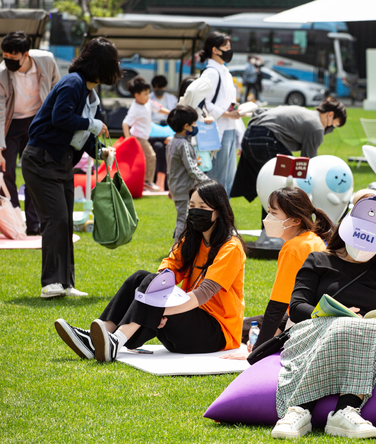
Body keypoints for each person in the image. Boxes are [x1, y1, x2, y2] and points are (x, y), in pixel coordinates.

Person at [54, 180, 246, 362]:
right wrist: (154, 303)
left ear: (219, 212)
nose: (196, 211)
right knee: (142, 277)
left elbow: (202, 296)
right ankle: (101, 335)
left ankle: (116, 340)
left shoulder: (231, 247)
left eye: (203, 208)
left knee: (151, 288)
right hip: (185, 323)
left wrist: (160, 310)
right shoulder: (192, 241)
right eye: (192, 206)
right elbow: (165, 274)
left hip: (216, 333)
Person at [270, 195, 376, 440]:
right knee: (342, 324)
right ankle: (299, 409)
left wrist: (366, 324)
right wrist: (331, 313)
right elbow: (297, 306)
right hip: (316, 332)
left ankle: (346, 409)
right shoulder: (319, 260)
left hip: (368, 339)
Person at [21, 37, 120, 298]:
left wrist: (103, 153)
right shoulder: (72, 83)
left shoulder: (90, 95)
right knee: (57, 219)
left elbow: (84, 138)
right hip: (41, 160)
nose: (117, 67)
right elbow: (61, 118)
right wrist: (94, 125)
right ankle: (51, 283)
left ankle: (65, 283)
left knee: (64, 223)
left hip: (60, 162)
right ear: (101, 65)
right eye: (114, 62)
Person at [221, 186, 332, 357]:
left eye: (274, 213)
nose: (268, 218)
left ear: (295, 221)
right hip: (315, 317)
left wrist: (258, 352)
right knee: (248, 325)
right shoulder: (315, 238)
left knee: (240, 330)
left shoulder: (293, 248)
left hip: (302, 323)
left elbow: (277, 306)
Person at [230, 98, 346, 206]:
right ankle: (275, 226)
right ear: (330, 114)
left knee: (272, 185)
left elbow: (259, 112)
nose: (331, 129)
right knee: (282, 187)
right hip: (267, 138)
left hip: (250, 133)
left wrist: (249, 142)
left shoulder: (303, 112)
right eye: (334, 124)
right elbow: (308, 164)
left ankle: (269, 224)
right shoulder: (317, 127)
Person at [0, 31, 60, 236]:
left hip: (38, 123)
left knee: (34, 172)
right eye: (4, 56)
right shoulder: (1, 73)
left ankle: (35, 224)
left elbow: (57, 89)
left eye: (12, 58)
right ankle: (15, 220)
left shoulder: (46, 61)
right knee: (6, 171)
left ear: (26, 54)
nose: (7, 61)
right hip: (10, 124)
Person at [198, 32, 243, 195]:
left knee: (228, 180)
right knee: (218, 179)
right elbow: (205, 103)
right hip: (217, 131)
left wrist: (234, 110)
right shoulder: (211, 72)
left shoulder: (224, 71)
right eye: (226, 48)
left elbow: (224, 100)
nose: (229, 51)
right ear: (215, 50)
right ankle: (215, 217)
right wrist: (228, 114)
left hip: (229, 128)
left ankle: (224, 217)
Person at [166, 105, 209, 238]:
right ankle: (177, 250)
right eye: (194, 123)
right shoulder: (183, 144)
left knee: (184, 219)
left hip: (176, 187)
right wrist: (208, 181)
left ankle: (183, 247)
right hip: (184, 189)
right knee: (183, 221)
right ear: (186, 126)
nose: (195, 126)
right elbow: (192, 169)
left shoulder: (171, 142)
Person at [122, 76, 170, 192]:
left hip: (145, 137)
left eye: (148, 93)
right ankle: (148, 181)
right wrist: (128, 138)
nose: (148, 96)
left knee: (142, 160)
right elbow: (125, 123)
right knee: (151, 156)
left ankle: (140, 182)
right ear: (137, 95)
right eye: (145, 94)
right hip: (138, 138)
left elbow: (159, 109)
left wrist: (172, 113)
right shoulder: (134, 109)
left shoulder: (148, 102)